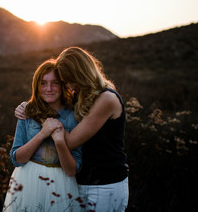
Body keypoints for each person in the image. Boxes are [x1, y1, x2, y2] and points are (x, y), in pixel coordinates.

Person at [15, 47, 129, 211]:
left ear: (82, 74)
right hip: (81, 182)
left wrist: (37, 114)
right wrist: (28, 106)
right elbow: (56, 105)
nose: (69, 86)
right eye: (65, 82)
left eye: (70, 80)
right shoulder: (81, 96)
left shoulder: (106, 98)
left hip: (104, 184)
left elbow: (69, 141)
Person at [3, 59, 83, 212]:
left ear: (62, 85)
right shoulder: (28, 112)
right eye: (43, 83)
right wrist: (43, 134)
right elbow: (17, 159)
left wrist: (60, 143)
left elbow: (73, 169)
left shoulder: (75, 116)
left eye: (55, 83)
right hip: (27, 181)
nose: (49, 89)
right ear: (37, 87)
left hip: (62, 184)